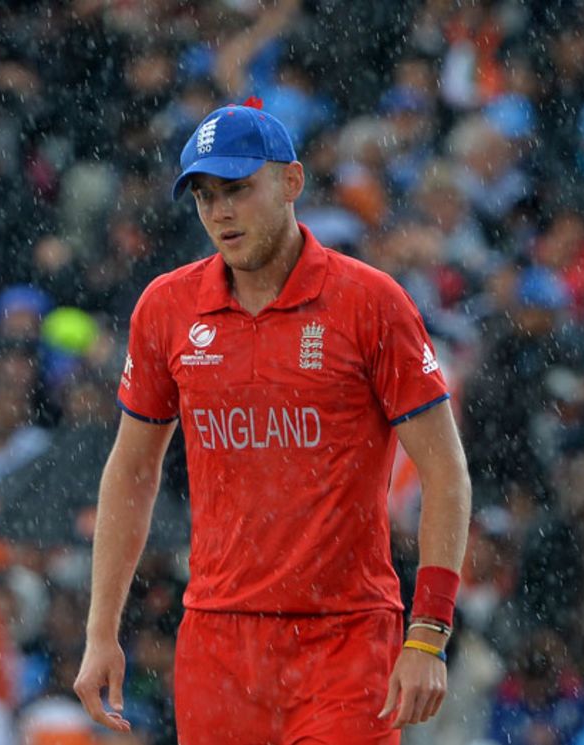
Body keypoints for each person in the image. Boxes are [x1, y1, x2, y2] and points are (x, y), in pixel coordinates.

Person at [73, 100, 472, 744]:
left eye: (237, 189)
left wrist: (428, 631)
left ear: (291, 182)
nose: (220, 213)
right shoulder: (166, 308)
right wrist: (100, 633)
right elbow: (132, 469)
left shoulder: (370, 303)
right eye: (204, 196)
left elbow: (445, 472)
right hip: (217, 643)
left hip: (346, 637)